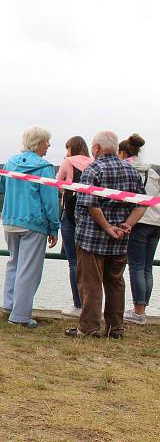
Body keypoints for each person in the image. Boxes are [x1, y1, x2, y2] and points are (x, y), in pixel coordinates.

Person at [65, 131, 146, 339]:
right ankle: (115, 328)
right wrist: (127, 224)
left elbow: (91, 204)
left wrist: (106, 226)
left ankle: (89, 327)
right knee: (115, 283)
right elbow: (142, 203)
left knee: (90, 283)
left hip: (92, 238)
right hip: (120, 238)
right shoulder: (130, 170)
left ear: (97, 148)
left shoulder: (93, 169)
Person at [0, 127, 60, 328]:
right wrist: (54, 227)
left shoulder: (10, 162)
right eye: (46, 142)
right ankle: (20, 315)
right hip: (34, 223)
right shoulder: (44, 168)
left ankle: (9, 305)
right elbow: (50, 201)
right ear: (38, 143)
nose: (48, 145)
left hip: (10, 219)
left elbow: (2, 187)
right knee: (29, 269)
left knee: (14, 263)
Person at [118, 134, 159, 325]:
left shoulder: (126, 168)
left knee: (136, 266)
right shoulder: (151, 171)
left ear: (123, 152)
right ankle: (142, 309)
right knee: (147, 267)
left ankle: (138, 311)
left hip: (138, 221)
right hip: (156, 221)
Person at [56, 136, 94, 317]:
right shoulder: (94, 163)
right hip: (91, 216)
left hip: (70, 215)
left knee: (73, 262)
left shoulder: (68, 162)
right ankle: (91, 305)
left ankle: (78, 305)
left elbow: (58, 184)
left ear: (71, 149)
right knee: (91, 263)